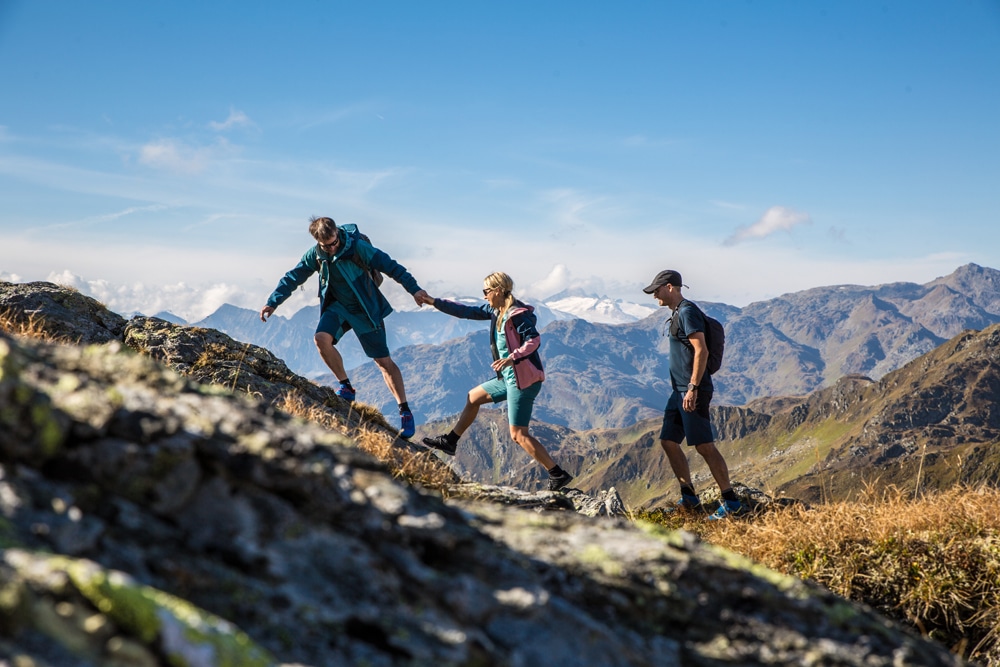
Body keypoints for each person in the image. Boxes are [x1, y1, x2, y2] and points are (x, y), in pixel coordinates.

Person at [260, 216, 429, 439]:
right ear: (318, 241)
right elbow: (294, 277)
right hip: (337, 307)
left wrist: (414, 290)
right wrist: (273, 301)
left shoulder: (358, 247)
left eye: (335, 242)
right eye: (327, 245)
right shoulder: (316, 255)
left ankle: (404, 411)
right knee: (321, 339)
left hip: (365, 309)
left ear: (337, 233)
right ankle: (346, 387)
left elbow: (393, 267)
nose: (332, 247)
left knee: (383, 362)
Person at [417, 272, 574, 491]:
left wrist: (512, 358)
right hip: (508, 378)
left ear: (498, 291)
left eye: (486, 291)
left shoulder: (516, 314)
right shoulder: (495, 311)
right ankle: (450, 442)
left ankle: (557, 473)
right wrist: (433, 301)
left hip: (523, 381)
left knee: (518, 434)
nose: (484, 296)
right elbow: (464, 311)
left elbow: (534, 340)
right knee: (473, 397)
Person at [643, 269, 743, 519]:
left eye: (656, 289)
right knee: (668, 441)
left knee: (704, 446)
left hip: (692, 390)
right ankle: (689, 498)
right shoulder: (678, 312)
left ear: (669, 287)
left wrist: (693, 388)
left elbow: (702, 350)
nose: (654, 294)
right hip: (679, 391)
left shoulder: (687, 312)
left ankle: (732, 503)